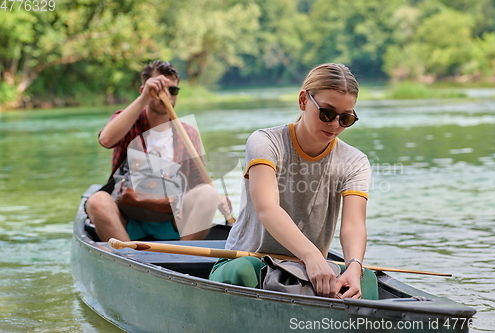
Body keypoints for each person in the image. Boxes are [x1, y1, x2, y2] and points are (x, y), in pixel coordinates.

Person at [209, 63, 378, 300]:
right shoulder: (265, 142)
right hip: (251, 261)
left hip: (306, 270)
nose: (334, 125)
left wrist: (353, 266)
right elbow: (267, 209)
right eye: (327, 113)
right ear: (303, 101)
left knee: (367, 280)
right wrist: (311, 255)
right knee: (243, 271)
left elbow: (353, 225)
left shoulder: (354, 161)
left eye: (346, 118)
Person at [85, 60, 228, 242]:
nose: (166, 95)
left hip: (171, 218)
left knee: (209, 194)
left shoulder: (188, 133)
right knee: (97, 201)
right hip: (128, 215)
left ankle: (182, 260)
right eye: (158, 89)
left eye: (173, 90)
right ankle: (129, 261)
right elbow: (106, 140)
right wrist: (145, 98)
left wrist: (218, 199)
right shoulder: (127, 120)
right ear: (143, 90)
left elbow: (198, 183)